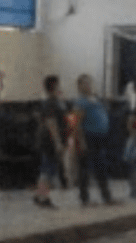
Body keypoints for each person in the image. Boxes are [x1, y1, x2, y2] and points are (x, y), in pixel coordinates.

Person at [73, 74, 115, 206]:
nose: (88, 86)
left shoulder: (96, 99)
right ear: (79, 86)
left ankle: (106, 196)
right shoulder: (80, 102)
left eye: (89, 83)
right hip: (88, 137)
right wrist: (81, 141)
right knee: (85, 168)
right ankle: (85, 199)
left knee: (101, 166)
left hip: (100, 137)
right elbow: (77, 124)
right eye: (85, 84)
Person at [33, 75, 66, 209]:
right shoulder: (51, 103)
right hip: (50, 140)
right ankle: (44, 197)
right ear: (55, 86)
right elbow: (51, 123)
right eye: (59, 85)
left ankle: (39, 195)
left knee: (47, 168)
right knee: (48, 169)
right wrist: (58, 142)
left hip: (49, 139)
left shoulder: (53, 102)